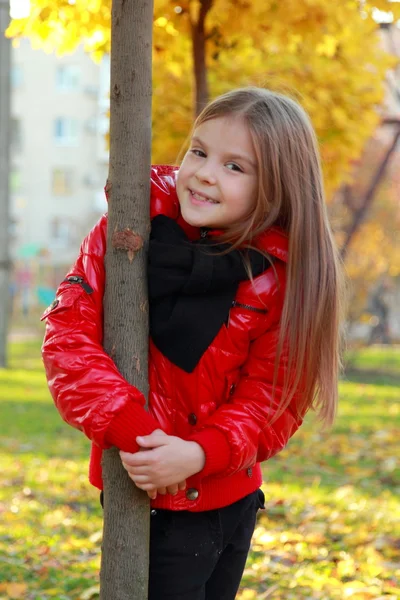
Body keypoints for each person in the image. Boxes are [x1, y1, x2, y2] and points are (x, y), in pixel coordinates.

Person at [41, 87, 343, 599]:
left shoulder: (282, 276)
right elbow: (67, 337)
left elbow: (273, 396)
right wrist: (137, 433)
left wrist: (199, 453)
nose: (203, 173)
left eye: (235, 166)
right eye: (199, 152)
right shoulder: (130, 229)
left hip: (231, 498)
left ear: (277, 189)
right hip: (148, 501)